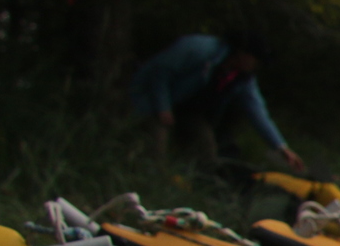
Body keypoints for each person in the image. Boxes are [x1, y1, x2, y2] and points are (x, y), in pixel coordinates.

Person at [129, 32, 304, 172]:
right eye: (256, 60)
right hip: (155, 99)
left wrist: (280, 147)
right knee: (156, 144)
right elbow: (159, 72)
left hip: (190, 110)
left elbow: (257, 111)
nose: (256, 66)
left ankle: (195, 182)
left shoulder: (243, 78)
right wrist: (163, 108)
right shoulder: (200, 49)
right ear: (243, 54)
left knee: (206, 150)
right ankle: (150, 174)